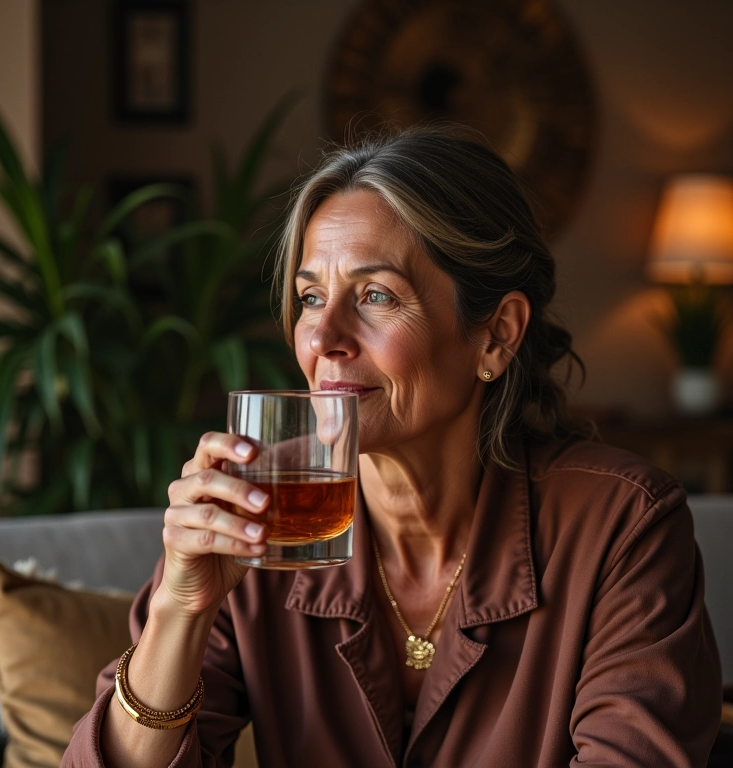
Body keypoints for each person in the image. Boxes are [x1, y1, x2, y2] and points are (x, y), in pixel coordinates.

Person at [63, 127, 721, 768]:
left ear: (496, 334)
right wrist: (181, 609)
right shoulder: (257, 513)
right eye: (310, 297)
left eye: (375, 295)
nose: (322, 338)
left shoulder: (622, 525)